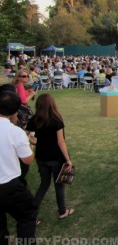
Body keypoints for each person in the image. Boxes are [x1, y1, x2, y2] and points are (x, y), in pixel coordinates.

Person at [25, 94, 74, 222]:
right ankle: (63, 211)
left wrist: (37, 142)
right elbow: (61, 142)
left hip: (41, 157)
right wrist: (68, 160)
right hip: (56, 158)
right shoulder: (57, 120)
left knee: (44, 185)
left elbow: (28, 136)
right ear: (52, 104)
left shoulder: (35, 119)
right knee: (59, 185)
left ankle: (32, 217)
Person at [0, 91, 38, 245]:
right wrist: (31, 144)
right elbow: (28, 159)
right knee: (27, 217)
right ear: (16, 111)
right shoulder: (15, 132)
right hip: (10, 185)